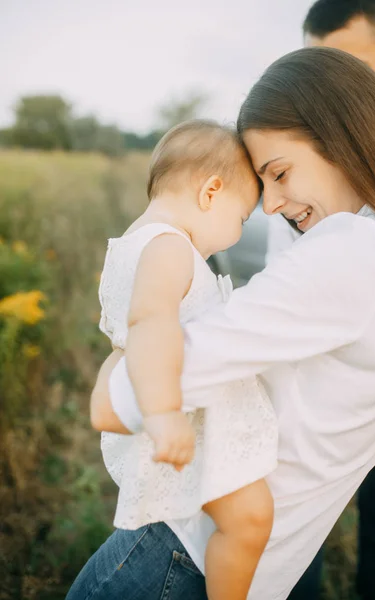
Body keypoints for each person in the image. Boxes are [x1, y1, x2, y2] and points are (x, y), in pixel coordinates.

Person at [69, 47, 375, 600]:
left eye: (279, 173)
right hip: (205, 556)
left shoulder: (356, 248)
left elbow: (114, 402)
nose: (270, 206)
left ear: (340, 137)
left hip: (181, 559)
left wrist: (116, 354)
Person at [91, 120, 278, 600]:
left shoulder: (133, 245)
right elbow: (150, 325)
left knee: (248, 518)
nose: (235, 235)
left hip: (182, 417)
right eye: (240, 218)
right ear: (210, 191)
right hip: (187, 424)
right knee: (251, 518)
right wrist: (163, 413)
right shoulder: (169, 247)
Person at [264, 2, 375, 598]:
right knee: (293, 530)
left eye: (346, 66)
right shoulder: (302, 169)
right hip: (313, 396)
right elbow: (279, 271)